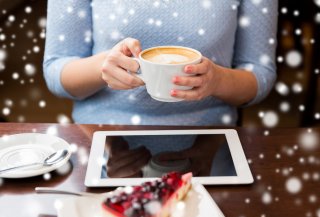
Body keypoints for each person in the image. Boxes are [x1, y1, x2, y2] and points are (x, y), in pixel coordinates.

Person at [43, 0, 278, 126]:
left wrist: (217, 80)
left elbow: (260, 72)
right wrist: (101, 66)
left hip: (209, 139)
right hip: (101, 138)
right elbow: (55, 69)